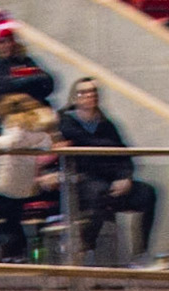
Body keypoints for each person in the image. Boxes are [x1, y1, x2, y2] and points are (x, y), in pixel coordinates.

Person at [56, 78, 158, 264]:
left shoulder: (106, 124)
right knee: (99, 194)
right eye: (84, 92)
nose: (90, 96)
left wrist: (125, 177)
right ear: (75, 97)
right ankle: (85, 248)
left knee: (147, 193)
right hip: (83, 180)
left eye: (93, 92)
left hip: (112, 180)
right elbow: (87, 146)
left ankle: (140, 254)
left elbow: (122, 153)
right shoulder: (66, 122)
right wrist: (105, 146)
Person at [0, 92, 49, 261]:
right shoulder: (38, 124)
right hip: (24, 180)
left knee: (9, 220)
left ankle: (11, 253)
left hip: (7, 180)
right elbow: (46, 143)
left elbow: (12, 141)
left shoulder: (15, 122)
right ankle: (16, 253)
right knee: (14, 218)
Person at [0, 14, 52, 104]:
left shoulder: (25, 60)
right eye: (2, 42)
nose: (7, 45)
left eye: (10, 40)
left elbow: (46, 83)